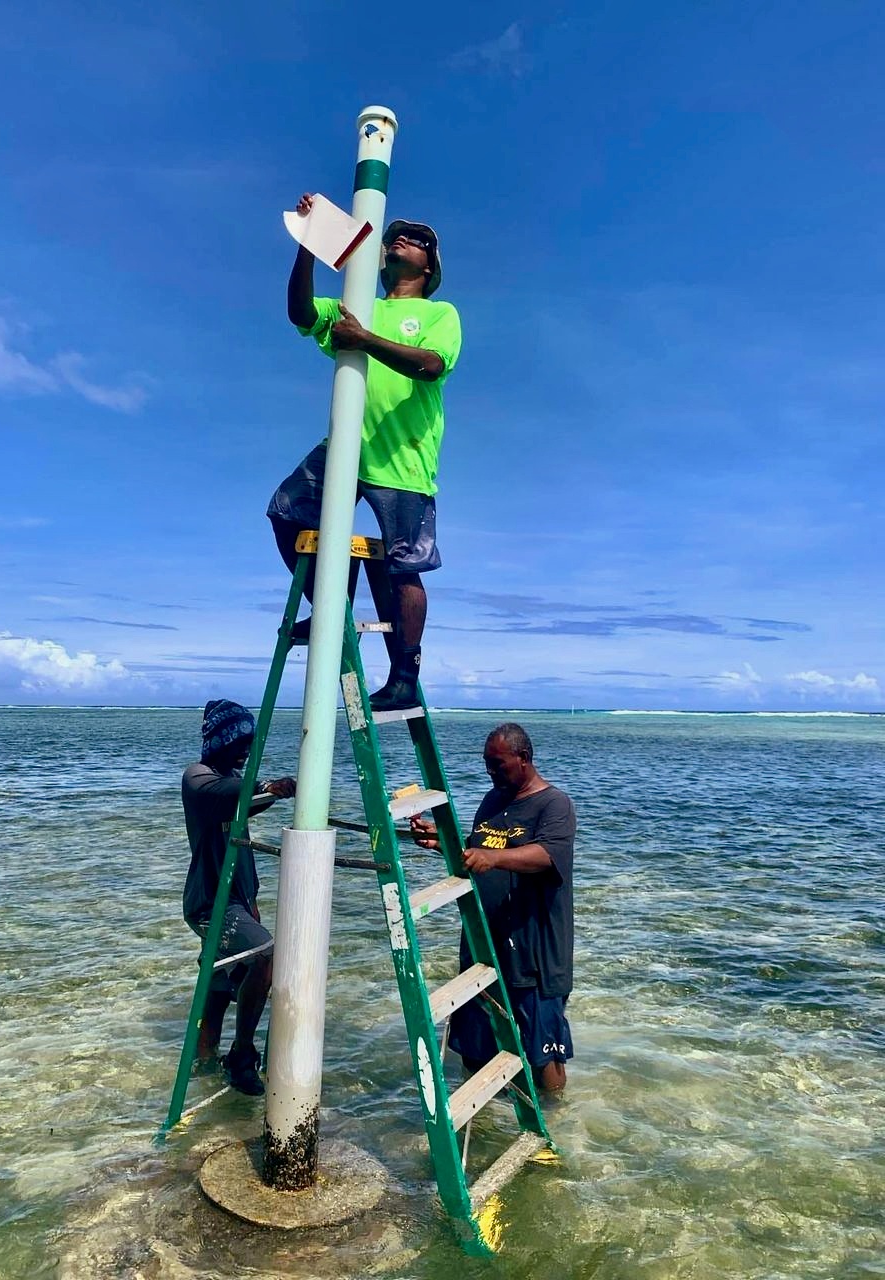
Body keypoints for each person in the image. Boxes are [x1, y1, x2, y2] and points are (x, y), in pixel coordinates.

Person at [267, 193, 463, 712]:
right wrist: (309, 245)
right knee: (285, 512)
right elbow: (302, 312)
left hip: (404, 455)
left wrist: (364, 338)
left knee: (405, 567)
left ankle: (403, 675)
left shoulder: (440, 312)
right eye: (399, 235)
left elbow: (430, 365)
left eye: (419, 240)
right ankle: (333, 606)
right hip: (344, 447)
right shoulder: (358, 302)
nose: (405, 239)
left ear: (430, 265)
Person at [411, 723, 576, 1092]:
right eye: (486, 764)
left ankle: (556, 1128)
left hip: (535, 946)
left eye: (498, 764)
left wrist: (494, 858)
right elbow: (477, 847)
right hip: (485, 937)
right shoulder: (492, 799)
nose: (490, 772)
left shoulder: (555, 804)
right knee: (474, 1036)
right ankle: (481, 1121)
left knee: (543, 1049)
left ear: (524, 759)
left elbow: (546, 856)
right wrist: (440, 841)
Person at [181, 699, 296, 1094]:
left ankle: (203, 1067)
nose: (246, 750)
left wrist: (275, 793)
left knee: (217, 988)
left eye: (250, 742)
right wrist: (268, 787)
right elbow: (232, 793)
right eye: (240, 742)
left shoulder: (233, 782)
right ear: (220, 740)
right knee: (265, 954)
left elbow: (247, 799)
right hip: (210, 903)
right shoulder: (199, 779)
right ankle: (242, 1053)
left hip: (238, 900)